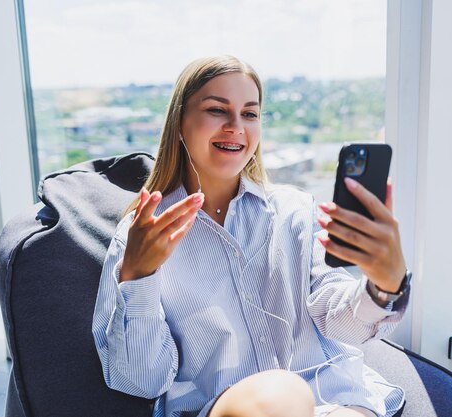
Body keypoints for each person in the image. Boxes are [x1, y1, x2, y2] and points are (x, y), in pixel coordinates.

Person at [92, 55, 411, 417]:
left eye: (250, 113)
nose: (236, 126)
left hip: (331, 404)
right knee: (279, 395)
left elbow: (338, 320)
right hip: (228, 408)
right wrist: (137, 278)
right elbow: (140, 381)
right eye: (217, 110)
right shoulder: (140, 235)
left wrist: (383, 286)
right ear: (180, 122)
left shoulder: (295, 211)